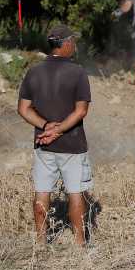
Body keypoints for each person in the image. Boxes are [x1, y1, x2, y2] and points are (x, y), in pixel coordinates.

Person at [17, 23, 93, 246]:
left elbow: (23, 109)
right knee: (76, 193)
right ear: (66, 44)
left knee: (42, 192)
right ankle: (79, 244)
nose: (75, 46)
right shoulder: (77, 72)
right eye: (74, 42)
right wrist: (58, 130)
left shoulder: (34, 71)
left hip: (43, 145)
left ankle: (41, 243)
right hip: (72, 145)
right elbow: (81, 110)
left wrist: (46, 126)